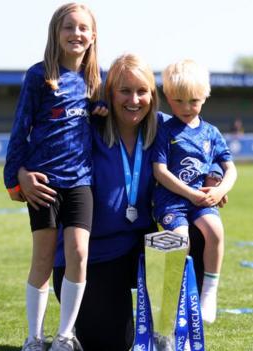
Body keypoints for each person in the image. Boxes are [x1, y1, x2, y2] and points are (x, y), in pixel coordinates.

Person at [16, 53, 226, 350]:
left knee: (197, 232)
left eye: (142, 91)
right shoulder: (88, 127)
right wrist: (22, 171)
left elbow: (206, 150)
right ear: (109, 93)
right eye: (125, 91)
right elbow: (44, 142)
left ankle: (164, 330)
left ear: (153, 95)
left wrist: (213, 177)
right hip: (92, 255)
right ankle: (79, 325)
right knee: (113, 343)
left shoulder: (165, 128)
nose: (134, 100)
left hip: (140, 243)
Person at [3, 3, 103, 351]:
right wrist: (15, 177)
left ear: (93, 36)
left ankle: (64, 335)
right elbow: (20, 129)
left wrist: (101, 113)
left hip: (80, 182)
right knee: (43, 258)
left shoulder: (97, 81)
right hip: (42, 183)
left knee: (78, 251)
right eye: (68, 27)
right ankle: (34, 336)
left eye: (83, 28)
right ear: (56, 33)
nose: (76, 34)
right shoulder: (38, 75)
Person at [152, 59, 237, 324]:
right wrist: (190, 193)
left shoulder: (211, 132)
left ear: (205, 96)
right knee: (180, 241)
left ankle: (208, 294)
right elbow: (160, 171)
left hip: (202, 199)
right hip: (171, 201)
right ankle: (175, 299)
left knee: (215, 231)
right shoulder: (163, 130)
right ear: (167, 96)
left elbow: (231, 168)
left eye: (194, 101)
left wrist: (220, 188)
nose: (186, 107)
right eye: (178, 101)